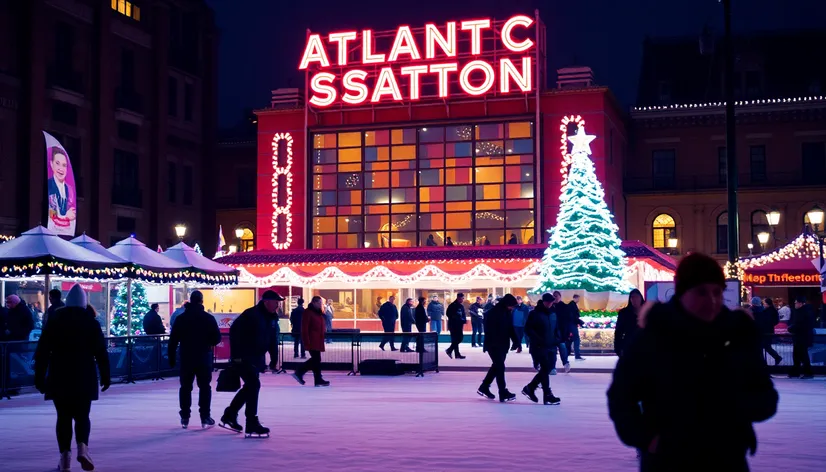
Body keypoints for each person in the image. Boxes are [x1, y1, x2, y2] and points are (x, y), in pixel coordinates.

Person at [608, 253, 778, 470]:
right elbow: (621, 397)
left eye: (717, 292)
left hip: (726, 457)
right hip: (669, 460)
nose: (712, 300)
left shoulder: (737, 335)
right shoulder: (654, 336)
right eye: (701, 292)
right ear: (682, 293)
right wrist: (647, 438)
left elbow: (765, 395)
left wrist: (734, 414)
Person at [34, 284, 110, 472]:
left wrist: (39, 376)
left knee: (63, 417)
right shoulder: (91, 323)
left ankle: (65, 456)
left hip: (60, 374)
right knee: (83, 416)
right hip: (84, 374)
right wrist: (106, 375)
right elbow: (101, 352)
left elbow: (43, 350)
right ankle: (83, 447)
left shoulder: (55, 321)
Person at [220, 290, 282, 438]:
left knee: (251, 386)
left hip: (256, 358)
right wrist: (237, 357)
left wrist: (274, 359)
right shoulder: (251, 315)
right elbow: (235, 333)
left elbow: (272, 339)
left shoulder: (272, 318)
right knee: (253, 385)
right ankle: (251, 421)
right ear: (266, 301)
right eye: (276, 302)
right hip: (244, 357)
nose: (278, 305)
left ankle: (230, 414)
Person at [168, 291, 221, 429]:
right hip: (203, 356)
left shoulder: (181, 319)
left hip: (186, 357)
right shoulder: (208, 318)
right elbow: (217, 339)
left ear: (190, 301)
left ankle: (185, 417)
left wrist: (172, 357)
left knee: (185, 387)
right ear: (202, 301)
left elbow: (173, 340)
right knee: (204, 387)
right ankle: (205, 417)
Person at [477, 294, 520, 402]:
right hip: (494, 345)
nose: (512, 308)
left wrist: (516, 341)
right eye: (512, 306)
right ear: (507, 304)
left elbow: (510, 328)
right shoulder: (493, 313)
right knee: (500, 367)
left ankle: (484, 387)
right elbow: (489, 330)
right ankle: (502, 391)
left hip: (503, 344)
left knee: (496, 366)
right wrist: (492, 343)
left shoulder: (507, 312)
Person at [522, 293, 562, 405]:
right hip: (539, 346)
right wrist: (538, 339)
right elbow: (528, 329)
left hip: (551, 345)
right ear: (543, 301)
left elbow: (556, 328)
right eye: (548, 302)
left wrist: (557, 339)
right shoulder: (534, 314)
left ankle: (530, 387)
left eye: (551, 302)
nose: (550, 304)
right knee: (545, 368)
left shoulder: (553, 313)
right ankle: (547, 395)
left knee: (548, 368)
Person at [293, 296, 330, 387]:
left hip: (318, 340)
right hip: (312, 340)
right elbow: (305, 328)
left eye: (321, 303)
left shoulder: (318, 313)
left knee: (316, 360)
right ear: (314, 303)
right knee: (316, 359)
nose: (321, 305)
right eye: (319, 303)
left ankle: (317, 379)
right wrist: (306, 342)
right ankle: (300, 371)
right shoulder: (308, 312)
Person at [47, 147, 77, 230]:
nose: (61, 168)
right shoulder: (49, 185)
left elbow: (72, 213)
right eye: (57, 163)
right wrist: (65, 217)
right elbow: (52, 214)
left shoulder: (70, 189)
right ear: (51, 164)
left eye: (64, 165)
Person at [788, 296, 815, 379]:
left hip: (803, 337)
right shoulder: (798, 311)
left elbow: (804, 325)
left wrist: (793, 328)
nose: (795, 304)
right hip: (798, 336)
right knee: (796, 355)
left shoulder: (806, 312)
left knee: (803, 355)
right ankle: (796, 372)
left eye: (796, 302)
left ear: (800, 303)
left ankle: (808, 372)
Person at [614, 289, 644, 357]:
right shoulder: (624, 313)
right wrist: (618, 348)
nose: (635, 299)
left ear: (641, 298)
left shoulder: (647, 312)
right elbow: (619, 332)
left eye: (637, 297)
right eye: (632, 297)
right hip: (629, 345)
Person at [756, 298, 782, 366]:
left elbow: (770, 321)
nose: (763, 304)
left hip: (766, 332)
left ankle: (764, 363)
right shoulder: (770, 310)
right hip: (767, 331)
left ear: (767, 304)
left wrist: (767, 324)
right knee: (766, 346)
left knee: (764, 346)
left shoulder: (769, 311)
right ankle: (776, 357)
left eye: (764, 303)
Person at [551, 292, 571, 374]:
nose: (555, 298)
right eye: (554, 296)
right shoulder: (551, 307)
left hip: (561, 331)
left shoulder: (565, 307)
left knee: (562, 347)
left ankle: (565, 363)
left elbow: (568, 320)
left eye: (556, 296)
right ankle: (552, 367)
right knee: (552, 350)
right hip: (551, 332)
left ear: (560, 297)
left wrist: (568, 332)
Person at [445, 293, 467, 359]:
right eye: (461, 298)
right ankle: (451, 351)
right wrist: (456, 318)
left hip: (459, 325)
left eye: (463, 298)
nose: (462, 300)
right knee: (457, 339)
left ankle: (454, 352)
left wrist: (463, 320)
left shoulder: (460, 306)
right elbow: (448, 314)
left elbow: (463, 314)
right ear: (458, 298)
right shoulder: (452, 305)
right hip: (454, 325)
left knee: (458, 339)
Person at [567, 294, 585, 360]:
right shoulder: (572, 305)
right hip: (572, 324)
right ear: (575, 298)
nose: (579, 300)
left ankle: (570, 352)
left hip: (571, 324)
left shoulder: (571, 305)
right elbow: (573, 316)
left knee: (572, 339)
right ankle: (577, 355)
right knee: (576, 339)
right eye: (578, 299)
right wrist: (579, 322)